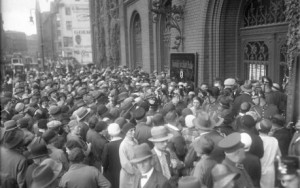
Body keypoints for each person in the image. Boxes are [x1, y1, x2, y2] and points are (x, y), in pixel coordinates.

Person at [256, 119, 281, 188]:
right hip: (270, 170)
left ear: (259, 128)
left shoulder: (257, 139)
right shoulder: (274, 140)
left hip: (258, 168)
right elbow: (279, 156)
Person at [102, 123, 123, 188]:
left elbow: (104, 163)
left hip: (113, 173)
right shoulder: (125, 141)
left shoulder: (108, 146)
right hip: (124, 171)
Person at [119, 122, 138, 188]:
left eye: (134, 130)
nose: (134, 132)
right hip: (128, 174)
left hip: (137, 171)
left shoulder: (135, 141)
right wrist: (135, 171)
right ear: (126, 132)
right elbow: (125, 163)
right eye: (131, 130)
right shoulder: (123, 145)